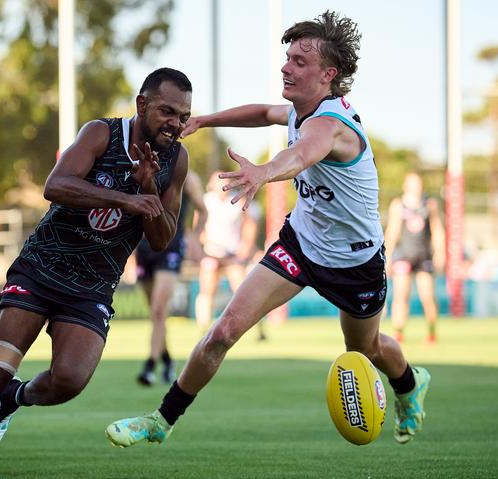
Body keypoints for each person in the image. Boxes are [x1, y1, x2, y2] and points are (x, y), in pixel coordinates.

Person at [105, 11, 431, 450]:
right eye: (288, 57)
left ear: (328, 74)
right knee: (222, 332)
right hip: (300, 245)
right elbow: (263, 112)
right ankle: (160, 421)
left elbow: (299, 157)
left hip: (356, 262)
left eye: (299, 61)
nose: (286, 66)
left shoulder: (329, 125)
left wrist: (263, 172)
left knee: (367, 350)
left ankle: (410, 385)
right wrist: (206, 120)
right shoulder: (301, 110)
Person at [0, 67, 193, 479]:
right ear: (142, 104)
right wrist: (127, 199)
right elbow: (55, 185)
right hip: (41, 269)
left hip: (92, 287)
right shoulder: (101, 133)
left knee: (69, 382)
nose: (176, 123)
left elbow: (163, 238)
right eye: (168, 111)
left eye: (184, 116)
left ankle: (13, 399)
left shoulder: (176, 160)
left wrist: (148, 189)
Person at [136, 169, 208, 386]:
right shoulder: (142, 168)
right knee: (155, 314)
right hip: (143, 248)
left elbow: (203, 211)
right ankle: (167, 360)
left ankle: (149, 366)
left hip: (171, 248)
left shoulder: (187, 175)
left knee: (159, 310)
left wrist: (194, 238)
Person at [195, 171, 263, 338]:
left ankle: (259, 331)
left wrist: (245, 247)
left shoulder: (238, 199)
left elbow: (250, 225)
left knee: (243, 291)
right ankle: (203, 329)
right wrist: (202, 247)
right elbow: (197, 227)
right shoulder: (206, 201)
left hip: (233, 254)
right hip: (212, 253)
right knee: (206, 291)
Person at [384, 172, 445, 344]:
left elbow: (437, 230)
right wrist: (387, 256)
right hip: (403, 256)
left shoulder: (430, 204)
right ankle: (398, 333)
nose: (415, 187)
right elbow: (393, 231)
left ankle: (432, 333)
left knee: (428, 297)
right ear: (406, 186)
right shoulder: (398, 205)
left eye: (418, 183)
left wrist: (440, 253)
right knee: (401, 296)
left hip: (424, 256)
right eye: (412, 183)